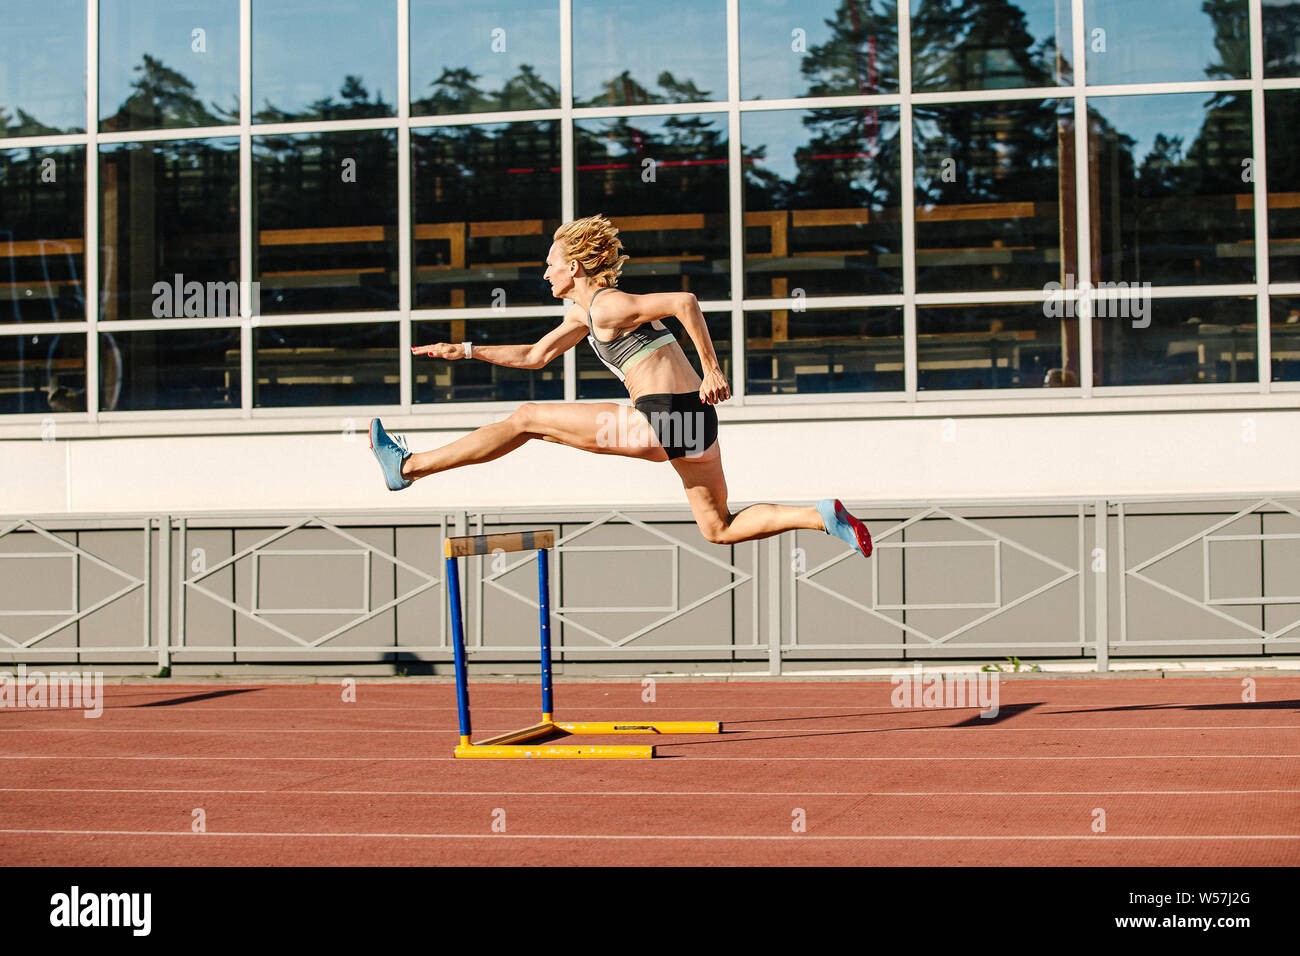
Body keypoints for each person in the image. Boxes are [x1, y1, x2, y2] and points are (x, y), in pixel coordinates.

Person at [369, 213, 870, 557]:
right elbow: (535, 355)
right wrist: (467, 350)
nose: (544, 273)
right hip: (696, 427)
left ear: (575, 266)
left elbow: (685, 302)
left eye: (550, 263)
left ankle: (409, 467)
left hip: (661, 419)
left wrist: (714, 369)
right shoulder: (586, 313)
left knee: (526, 420)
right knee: (718, 527)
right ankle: (820, 515)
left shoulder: (606, 305)